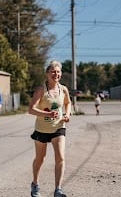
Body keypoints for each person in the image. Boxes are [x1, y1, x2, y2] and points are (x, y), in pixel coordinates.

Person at [28, 60, 72, 197]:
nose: (56, 74)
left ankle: (58, 189)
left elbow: (68, 102)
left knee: (60, 157)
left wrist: (67, 114)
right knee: (40, 159)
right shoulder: (41, 90)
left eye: (58, 72)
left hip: (58, 127)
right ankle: (35, 184)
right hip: (42, 129)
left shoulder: (63, 89)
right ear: (47, 74)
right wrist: (47, 114)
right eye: (53, 71)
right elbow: (31, 109)